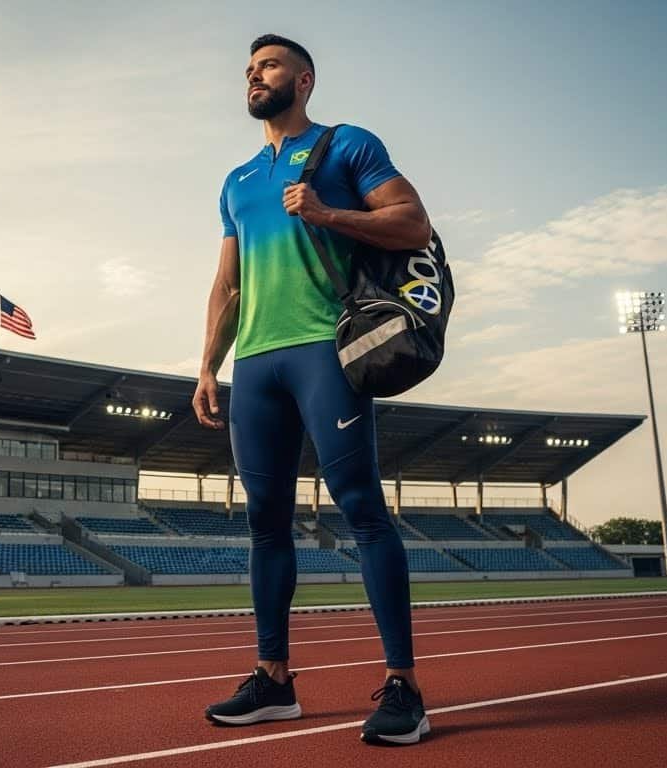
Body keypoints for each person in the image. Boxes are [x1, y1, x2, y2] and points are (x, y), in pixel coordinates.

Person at [192, 34, 433, 746]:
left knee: (360, 508)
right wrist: (208, 364)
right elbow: (228, 284)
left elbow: (410, 223)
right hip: (257, 363)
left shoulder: (346, 145)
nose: (251, 77)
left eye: (265, 67)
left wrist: (328, 213)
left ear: (302, 80)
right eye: (246, 70)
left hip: (324, 350)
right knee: (264, 521)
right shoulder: (236, 181)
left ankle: (404, 689)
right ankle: (273, 680)